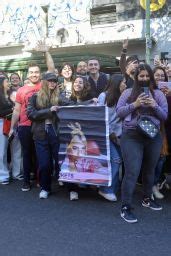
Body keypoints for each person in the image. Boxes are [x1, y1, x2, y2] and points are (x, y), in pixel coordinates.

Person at [116, 64, 168, 223]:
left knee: (150, 169)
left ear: (151, 77)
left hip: (153, 136)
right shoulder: (127, 93)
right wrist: (136, 104)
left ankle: (147, 197)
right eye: (141, 76)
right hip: (131, 135)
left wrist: (154, 105)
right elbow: (119, 112)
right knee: (132, 170)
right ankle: (125, 207)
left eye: (147, 76)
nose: (144, 79)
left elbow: (164, 116)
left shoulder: (158, 94)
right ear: (136, 78)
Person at [27, 73, 62, 199]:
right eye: (50, 80)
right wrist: (49, 110)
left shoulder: (59, 96)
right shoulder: (34, 97)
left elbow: (73, 104)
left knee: (60, 162)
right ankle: (45, 188)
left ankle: (69, 188)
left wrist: (90, 102)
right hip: (40, 134)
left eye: (55, 81)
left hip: (55, 133)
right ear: (44, 82)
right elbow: (31, 114)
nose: (52, 83)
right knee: (44, 164)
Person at [9, 63, 41, 192]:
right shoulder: (21, 90)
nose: (34, 74)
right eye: (32, 72)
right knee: (27, 154)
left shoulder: (44, 85)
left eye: (36, 72)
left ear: (40, 74)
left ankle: (40, 180)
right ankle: (26, 181)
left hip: (40, 125)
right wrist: (12, 127)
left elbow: (51, 69)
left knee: (39, 154)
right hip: (24, 126)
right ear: (28, 74)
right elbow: (17, 110)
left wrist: (46, 52)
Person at [98, 74, 126, 201]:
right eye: (124, 82)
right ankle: (105, 190)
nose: (125, 85)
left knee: (117, 160)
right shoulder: (103, 96)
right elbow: (100, 117)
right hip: (107, 135)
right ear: (117, 83)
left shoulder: (124, 96)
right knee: (115, 160)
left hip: (120, 135)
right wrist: (110, 134)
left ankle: (112, 188)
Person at [0, 76, 13, 184]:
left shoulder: (9, 96)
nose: (9, 83)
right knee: (2, 151)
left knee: (7, 150)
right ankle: (3, 175)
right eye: (6, 81)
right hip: (1, 124)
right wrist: (13, 109)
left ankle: (9, 172)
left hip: (10, 124)